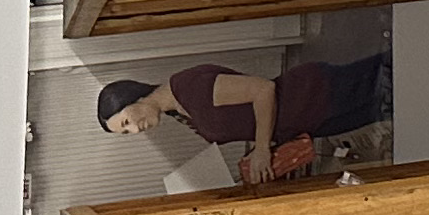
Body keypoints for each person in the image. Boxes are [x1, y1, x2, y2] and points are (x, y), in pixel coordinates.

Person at [98, 51, 390, 183]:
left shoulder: (188, 88)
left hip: (312, 94)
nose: (135, 130)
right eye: (126, 133)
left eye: (126, 122)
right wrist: (256, 156)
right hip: (307, 120)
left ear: (132, 99)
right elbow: (242, 118)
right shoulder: (178, 110)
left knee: (389, 76)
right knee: (387, 104)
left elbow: (263, 90)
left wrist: (262, 148)